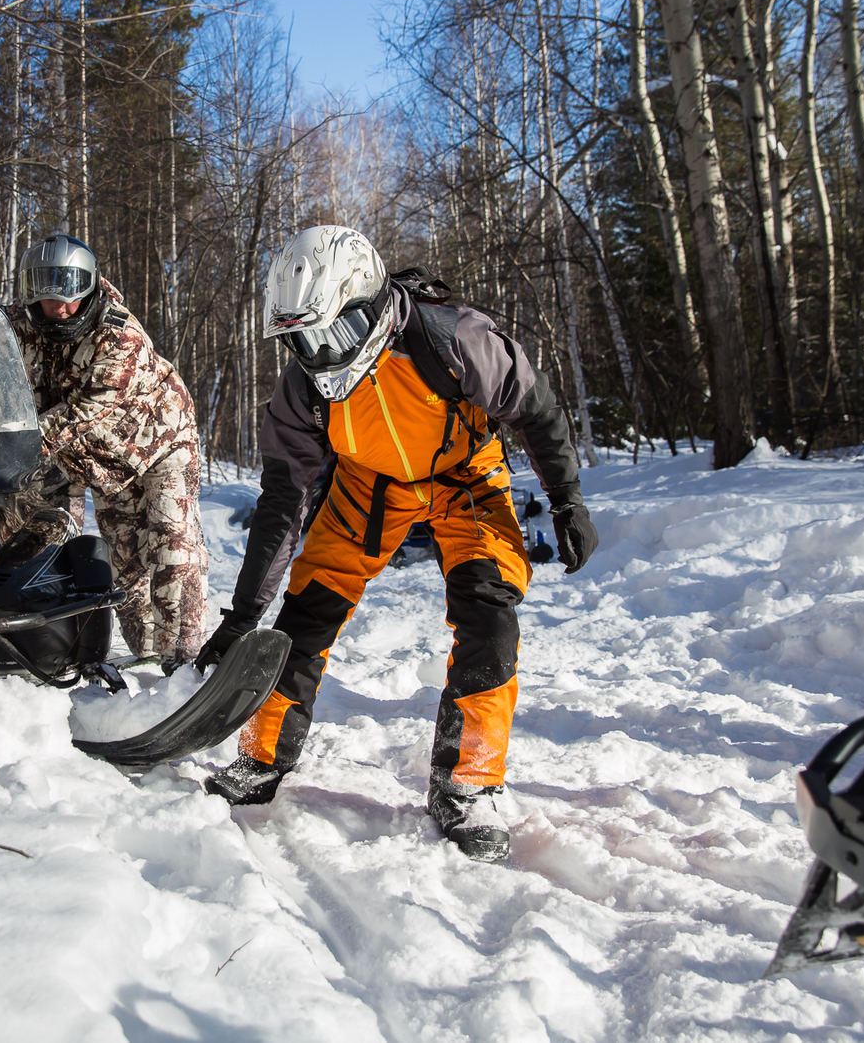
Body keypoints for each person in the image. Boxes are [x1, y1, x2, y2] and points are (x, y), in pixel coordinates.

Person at [194, 225, 597, 863]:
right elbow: (281, 503)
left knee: (489, 615)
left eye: (330, 336)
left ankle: (469, 785)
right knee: (306, 611)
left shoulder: (454, 340)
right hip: (368, 483)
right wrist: (243, 616)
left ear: (368, 307)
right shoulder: (302, 391)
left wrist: (568, 499)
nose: (320, 356)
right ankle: (262, 756)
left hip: (466, 472)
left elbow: (536, 408)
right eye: (301, 342)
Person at [0, 235, 209, 670]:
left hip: (156, 447)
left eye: (69, 300)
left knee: (170, 549)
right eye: (48, 301)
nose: (60, 310)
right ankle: (147, 659)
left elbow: (82, 414)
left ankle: (183, 663)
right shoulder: (18, 323)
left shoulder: (121, 338)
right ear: (32, 295)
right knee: (125, 567)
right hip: (88, 458)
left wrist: (11, 444)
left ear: (88, 289)